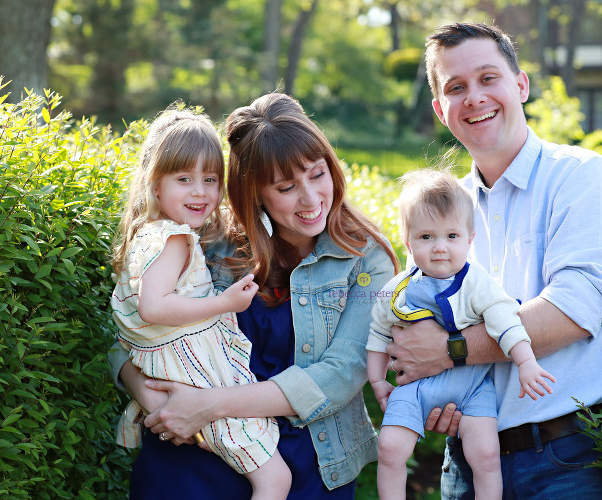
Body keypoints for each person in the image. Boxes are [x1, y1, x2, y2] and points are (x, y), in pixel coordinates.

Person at [384, 23, 602, 499]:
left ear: (520, 85)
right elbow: (416, 333)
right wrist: (439, 396)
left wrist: (450, 350)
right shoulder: (443, 211)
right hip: (468, 462)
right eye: (456, 88)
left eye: (488, 78)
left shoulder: (582, 177)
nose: (474, 98)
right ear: (440, 110)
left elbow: (572, 313)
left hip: (572, 460)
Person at [109, 93, 398, 499]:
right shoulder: (209, 241)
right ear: (256, 191)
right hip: (197, 451)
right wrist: (149, 394)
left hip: (310, 460)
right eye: (286, 187)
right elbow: (131, 328)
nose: (311, 198)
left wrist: (208, 404)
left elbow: (340, 375)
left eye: (318, 174)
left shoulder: (367, 259)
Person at [110, 108, 290, 500]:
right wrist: (223, 303)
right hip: (198, 378)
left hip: (184, 377)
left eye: (210, 179)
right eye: (184, 179)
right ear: (155, 184)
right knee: (275, 480)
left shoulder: (149, 235)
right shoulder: (175, 239)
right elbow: (153, 309)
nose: (200, 192)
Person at [366, 168, 555, 500]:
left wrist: (526, 362)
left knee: (485, 455)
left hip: (472, 389)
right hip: (415, 387)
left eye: (451, 236)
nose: (440, 247)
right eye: (427, 237)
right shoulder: (397, 290)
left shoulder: (476, 282)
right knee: (390, 448)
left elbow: (506, 322)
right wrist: (378, 380)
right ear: (408, 242)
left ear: (469, 239)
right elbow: (379, 334)